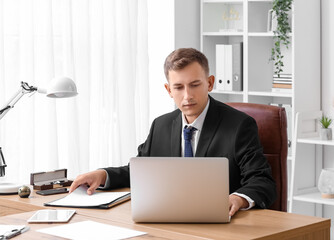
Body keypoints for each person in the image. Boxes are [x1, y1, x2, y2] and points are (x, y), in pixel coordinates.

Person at [70, 48, 276, 216]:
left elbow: (262, 181)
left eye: (195, 85)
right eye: (178, 87)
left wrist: (237, 198)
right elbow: (142, 171)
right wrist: (103, 174)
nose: (187, 96)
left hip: (222, 223)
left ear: (210, 83)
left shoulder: (240, 125)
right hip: (170, 219)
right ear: (169, 90)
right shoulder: (161, 125)